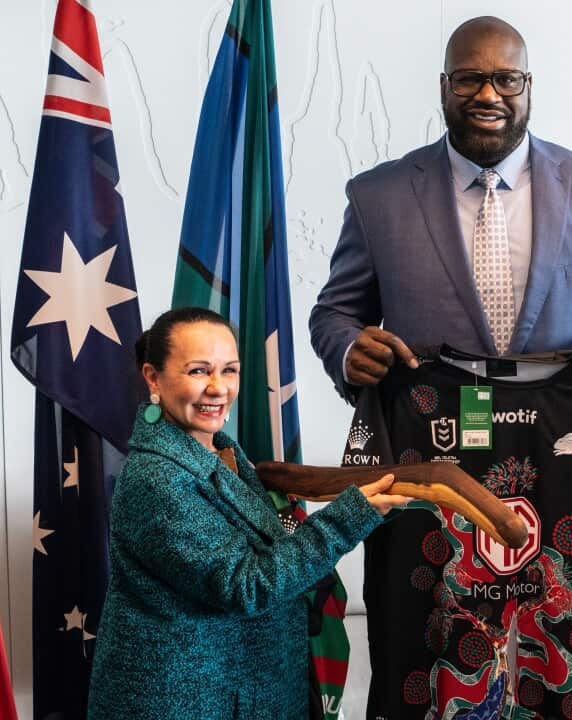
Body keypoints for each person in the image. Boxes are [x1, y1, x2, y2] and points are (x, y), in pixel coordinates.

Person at [309, 15, 572, 401]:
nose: (487, 95)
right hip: (425, 438)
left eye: (507, 79)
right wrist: (348, 349)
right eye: (468, 78)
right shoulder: (376, 197)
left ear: (528, 86)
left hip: (569, 436)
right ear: (444, 87)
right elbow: (335, 314)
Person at [86, 307, 407, 720]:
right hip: (186, 702)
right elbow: (247, 585)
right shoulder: (156, 477)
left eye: (230, 370)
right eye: (199, 371)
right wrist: (350, 518)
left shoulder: (219, 450)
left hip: (240, 692)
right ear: (153, 378)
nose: (219, 388)